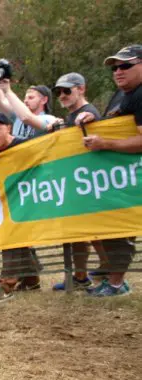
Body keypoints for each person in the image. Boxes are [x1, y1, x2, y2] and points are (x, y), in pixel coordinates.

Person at [76, 44, 142, 297]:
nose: (118, 71)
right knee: (115, 228)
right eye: (115, 67)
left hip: (130, 176)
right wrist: (95, 121)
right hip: (118, 178)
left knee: (122, 229)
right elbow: (117, 123)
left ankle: (115, 284)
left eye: (126, 65)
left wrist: (106, 143)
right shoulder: (123, 95)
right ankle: (113, 281)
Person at [0, 112, 44, 304]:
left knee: (11, 236)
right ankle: (31, 280)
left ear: (9, 128)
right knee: (15, 236)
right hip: (13, 204)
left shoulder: (24, 144)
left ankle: (6, 285)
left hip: (37, 199)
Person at [49, 73, 103, 291]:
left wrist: (88, 117)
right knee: (78, 232)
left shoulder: (86, 112)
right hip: (74, 182)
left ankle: (112, 277)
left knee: (97, 232)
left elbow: (91, 118)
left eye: (67, 90)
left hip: (91, 182)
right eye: (59, 92)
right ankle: (79, 277)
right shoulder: (70, 117)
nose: (62, 95)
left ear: (81, 89)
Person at [0, 61, 57, 140]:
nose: (26, 101)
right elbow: (0, 101)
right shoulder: (17, 117)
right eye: (25, 98)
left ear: (44, 100)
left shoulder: (49, 119)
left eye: (31, 98)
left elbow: (26, 118)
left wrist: (7, 91)